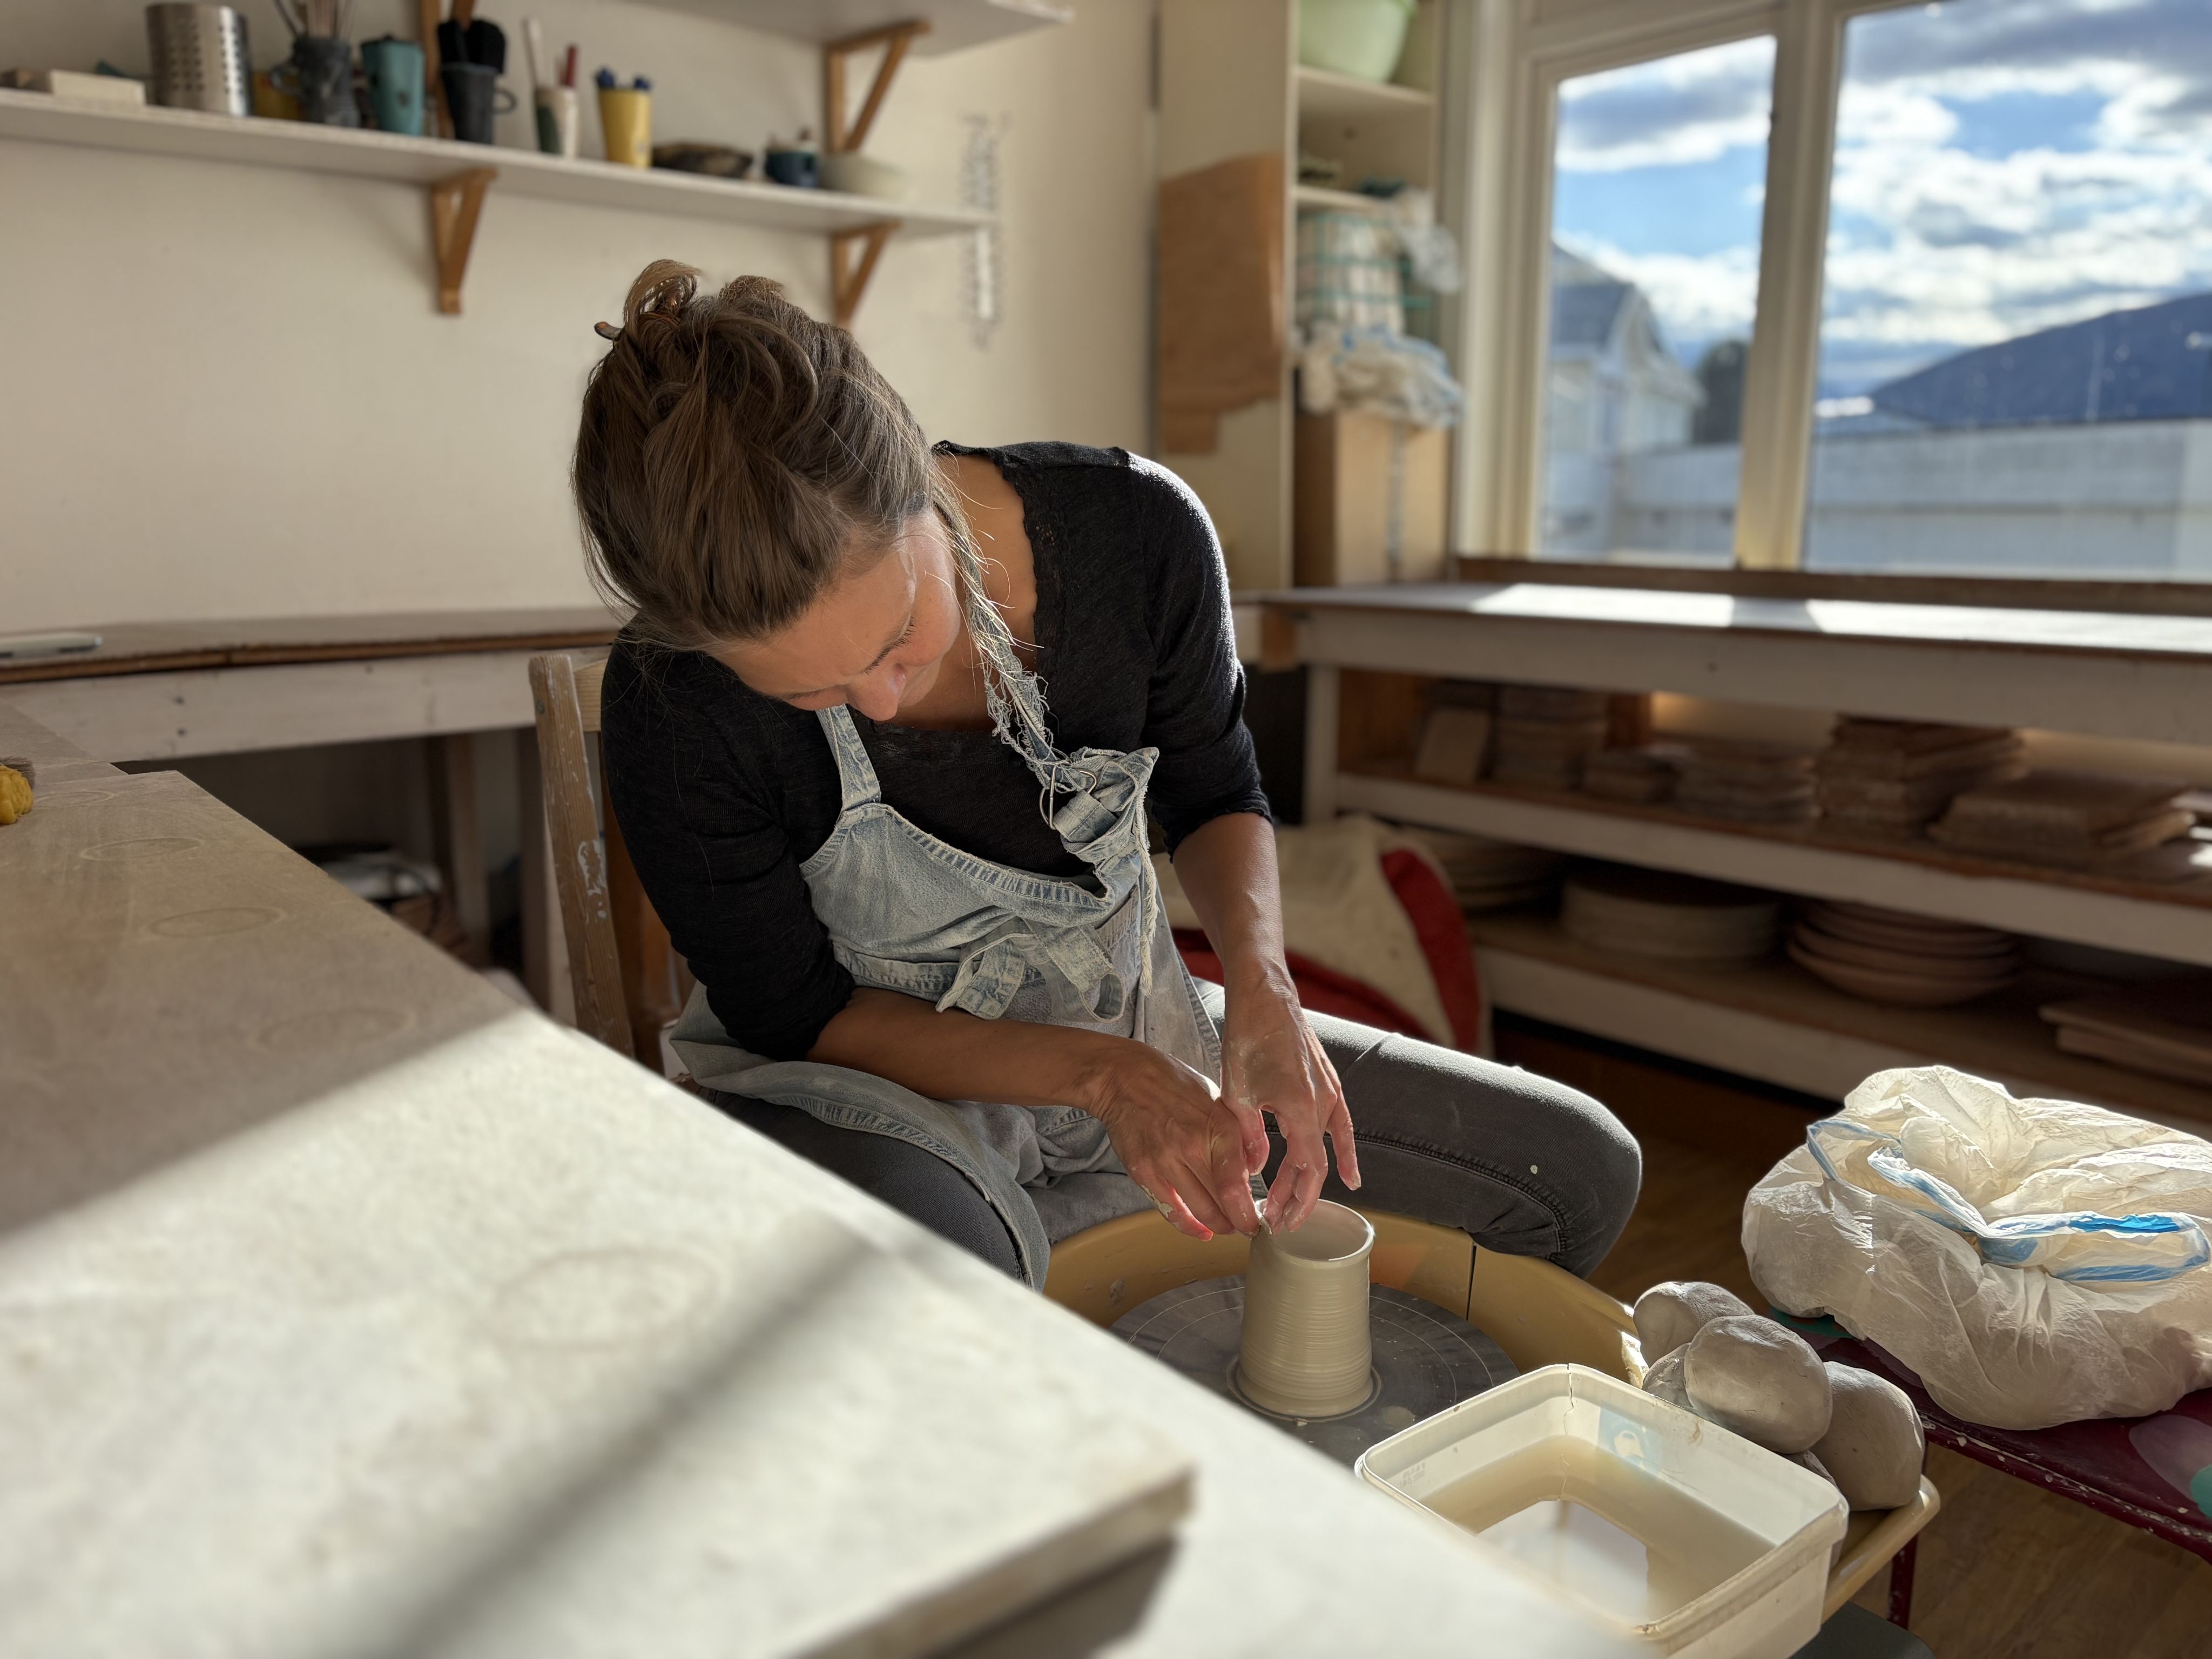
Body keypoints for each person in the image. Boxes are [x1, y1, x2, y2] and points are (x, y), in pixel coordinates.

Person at [578, 261, 1641, 1287]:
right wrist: (1101, 1078)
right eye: (812, 692)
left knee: (1572, 1175)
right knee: (944, 1292)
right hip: (858, 1087)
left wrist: (1263, 991)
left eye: (899, 638)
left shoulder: (1138, 535)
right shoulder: (673, 704)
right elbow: (797, 1015)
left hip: (1132, 1023)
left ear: (920, 486)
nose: (882, 705)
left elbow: (1214, 794)